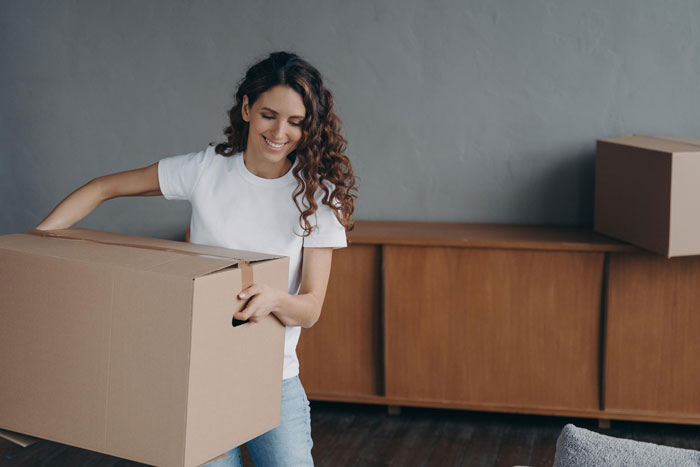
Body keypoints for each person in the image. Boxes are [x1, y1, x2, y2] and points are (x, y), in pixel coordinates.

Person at [36, 51, 357, 466]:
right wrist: (38, 242)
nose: (280, 132)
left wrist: (275, 299)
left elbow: (311, 309)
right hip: (201, 378)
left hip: (273, 380)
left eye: (295, 122)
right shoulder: (206, 170)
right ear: (246, 108)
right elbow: (101, 188)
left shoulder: (318, 197)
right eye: (268, 115)